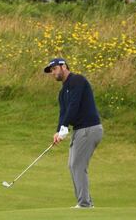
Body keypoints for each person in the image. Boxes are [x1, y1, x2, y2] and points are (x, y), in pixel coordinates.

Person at [44, 58, 103, 208]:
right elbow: (63, 112)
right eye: (51, 71)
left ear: (63, 66)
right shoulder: (63, 92)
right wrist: (59, 131)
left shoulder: (78, 80)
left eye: (54, 68)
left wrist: (64, 127)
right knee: (73, 165)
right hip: (80, 130)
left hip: (89, 128)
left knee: (77, 165)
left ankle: (84, 204)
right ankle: (86, 202)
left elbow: (74, 105)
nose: (53, 73)